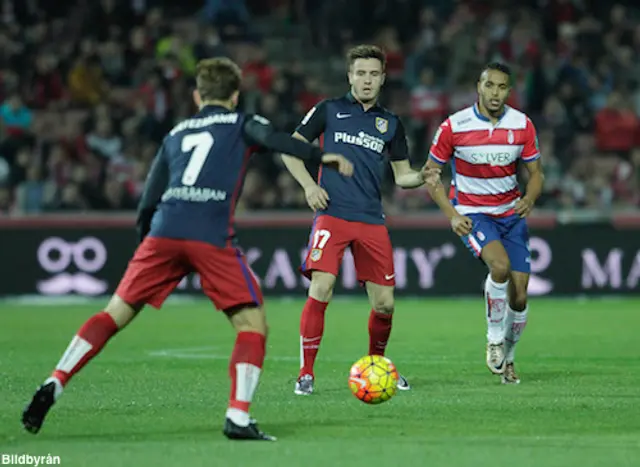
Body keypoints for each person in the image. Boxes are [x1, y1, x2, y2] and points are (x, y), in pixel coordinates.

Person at [21, 57, 353, 441]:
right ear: (234, 94)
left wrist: (147, 240)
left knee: (114, 313)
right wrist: (319, 155)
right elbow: (277, 140)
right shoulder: (242, 122)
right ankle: (238, 417)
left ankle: (56, 380)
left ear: (197, 95)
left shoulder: (176, 132)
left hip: (163, 231)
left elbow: (149, 196)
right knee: (252, 326)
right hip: (210, 235)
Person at [281, 45, 438, 396]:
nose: (367, 80)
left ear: (383, 78)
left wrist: (425, 175)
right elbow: (290, 148)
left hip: (370, 219)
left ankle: (376, 365)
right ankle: (306, 373)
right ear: (350, 76)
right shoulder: (329, 110)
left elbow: (402, 176)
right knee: (321, 287)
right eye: (360, 73)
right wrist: (308, 186)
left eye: (373, 74)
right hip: (332, 215)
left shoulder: (391, 124)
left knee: (384, 304)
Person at [423, 62, 544, 384]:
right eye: (490, 86)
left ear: (509, 90)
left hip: (510, 214)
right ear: (479, 86)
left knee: (519, 295)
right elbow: (431, 174)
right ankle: (493, 338)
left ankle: (509, 360)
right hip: (473, 213)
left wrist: (530, 198)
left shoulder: (521, 125)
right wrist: (452, 215)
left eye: (502, 87)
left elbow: (536, 173)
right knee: (499, 267)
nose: (495, 93)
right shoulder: (454, 125)